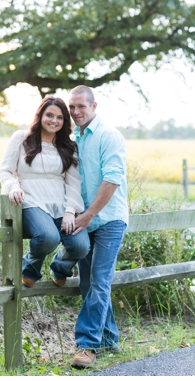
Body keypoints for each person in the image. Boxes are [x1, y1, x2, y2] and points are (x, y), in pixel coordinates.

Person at [0, 96, 90, 290]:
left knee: (81, 246)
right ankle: (30, 267)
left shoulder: (69, 147)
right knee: (48, 237)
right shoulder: (22, 138)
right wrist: (14, 186)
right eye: (49, 115)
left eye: (59, 117)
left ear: (65, 121)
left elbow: (74, 183)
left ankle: (60, 268)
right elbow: (5, 170)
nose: (53, 120)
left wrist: (70, 211)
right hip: (31, 201)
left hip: (61, 204)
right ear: (40, 116)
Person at [67, 85, 128, 369]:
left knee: (100, 281)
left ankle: (87, 345)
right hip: (85, 220)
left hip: (108, 220)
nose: (76, 112)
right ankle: (109, 339)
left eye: (81, 106)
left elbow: (112, 179)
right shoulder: (73, 139)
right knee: (89, 283)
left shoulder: (109, 136)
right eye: (72, 107)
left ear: (94, 106)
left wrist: (89, 215)